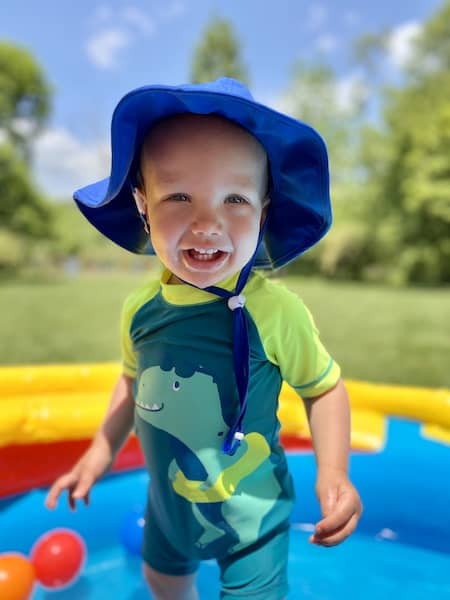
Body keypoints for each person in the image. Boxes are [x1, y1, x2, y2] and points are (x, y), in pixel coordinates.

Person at [46, 78, 362, 600]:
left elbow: (323, 389)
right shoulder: (142, 309)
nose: (207, 222)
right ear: (143, 206)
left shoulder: (274, 311)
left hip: (253, 521)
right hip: (169, 513)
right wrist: (99, 453)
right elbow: (131, 383)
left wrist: (334, 472)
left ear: (263, 212)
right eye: (179, 196)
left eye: (234, 198)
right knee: (162, 584)